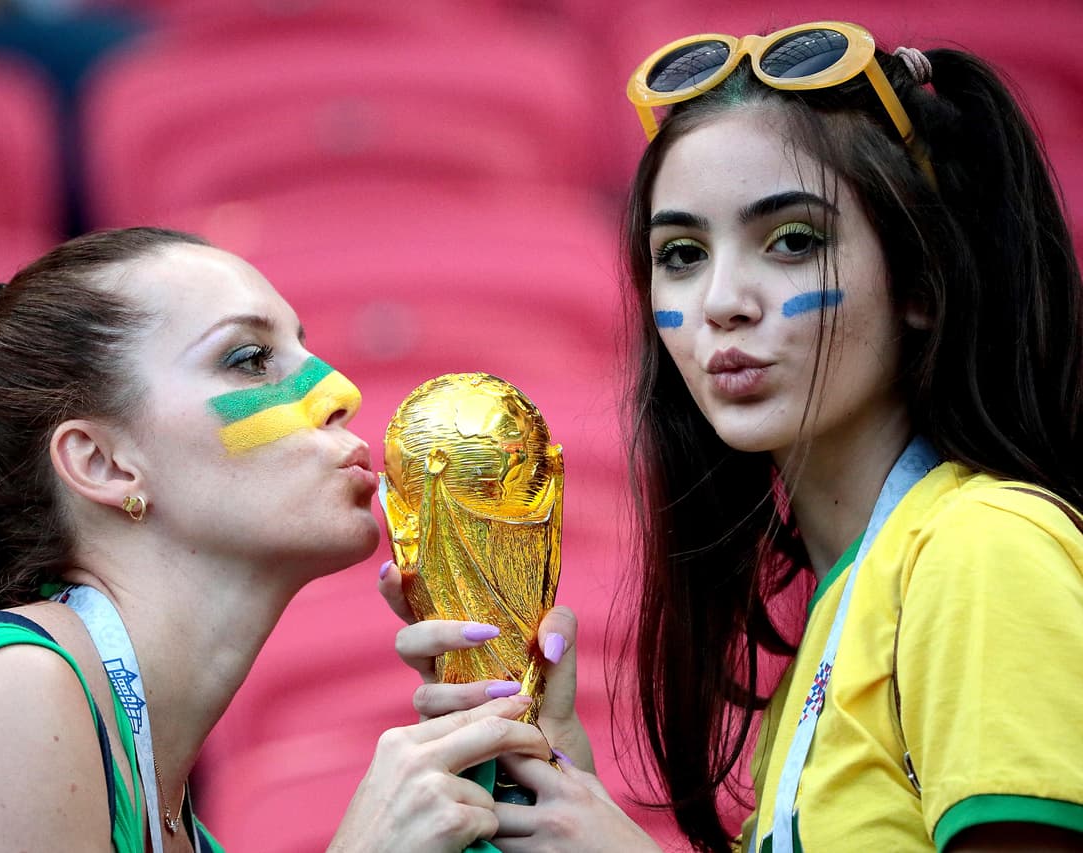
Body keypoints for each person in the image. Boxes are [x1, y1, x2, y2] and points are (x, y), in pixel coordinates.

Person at [381, 20, 1083, 853]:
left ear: (921, 284)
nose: (722, 300)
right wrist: (552, 776)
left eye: (791, 241)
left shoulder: (984, 548)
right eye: (680, 253)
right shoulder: (848, 605)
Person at [0, 226, 555, 852]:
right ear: (102, 462)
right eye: (249, 358)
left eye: (301, 347)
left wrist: (541, 761)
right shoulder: (12, 690)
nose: (340, 391)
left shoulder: (169, 808)